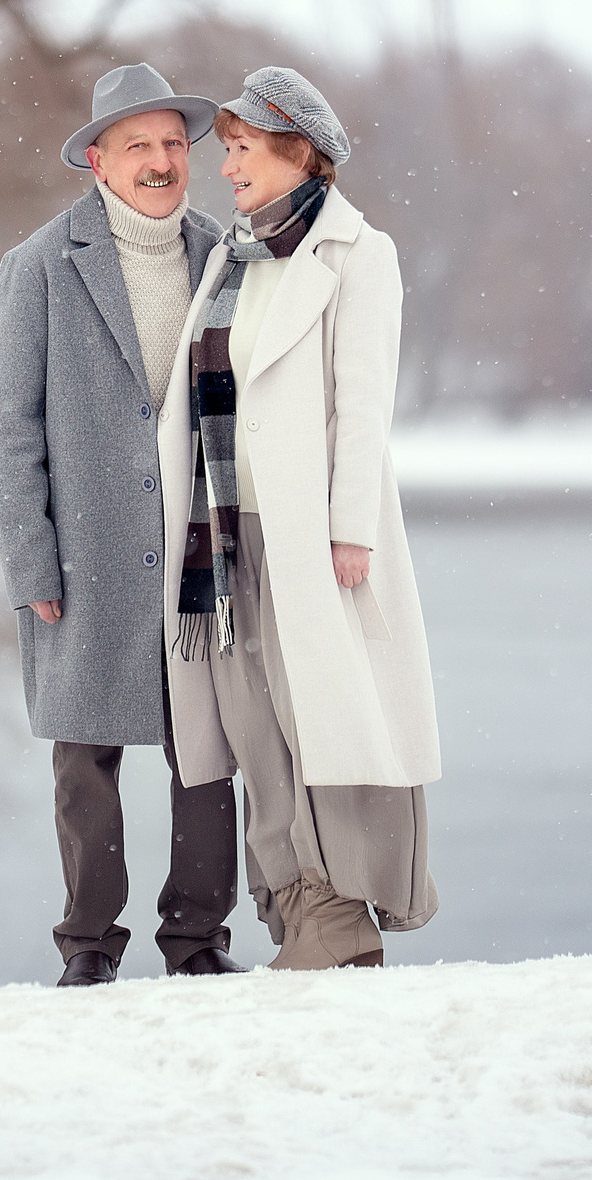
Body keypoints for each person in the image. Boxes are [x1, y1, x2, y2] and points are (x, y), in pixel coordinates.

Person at [157, 65, 441, 969]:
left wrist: (349, 527)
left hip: (311, 539)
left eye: (241, 150)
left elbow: (363, 404)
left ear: (297, 148)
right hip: (228, 535)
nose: (226, 167)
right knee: (255, 725)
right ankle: (293, 909)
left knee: (326, 717)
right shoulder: (233, 259)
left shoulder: (361, 253)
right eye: (227, 151)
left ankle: (339, 919)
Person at [0, 63, 248, 985]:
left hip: (198, 544)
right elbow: (10, 431)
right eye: (140, 144)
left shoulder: (225, 254)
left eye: (175, 143)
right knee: (85, 759)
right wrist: (32, 566)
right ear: (98, 159)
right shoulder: (40, 265)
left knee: (207, 749)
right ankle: (89, 946)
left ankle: (199, 943)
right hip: (85, 550)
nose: (163, 160)